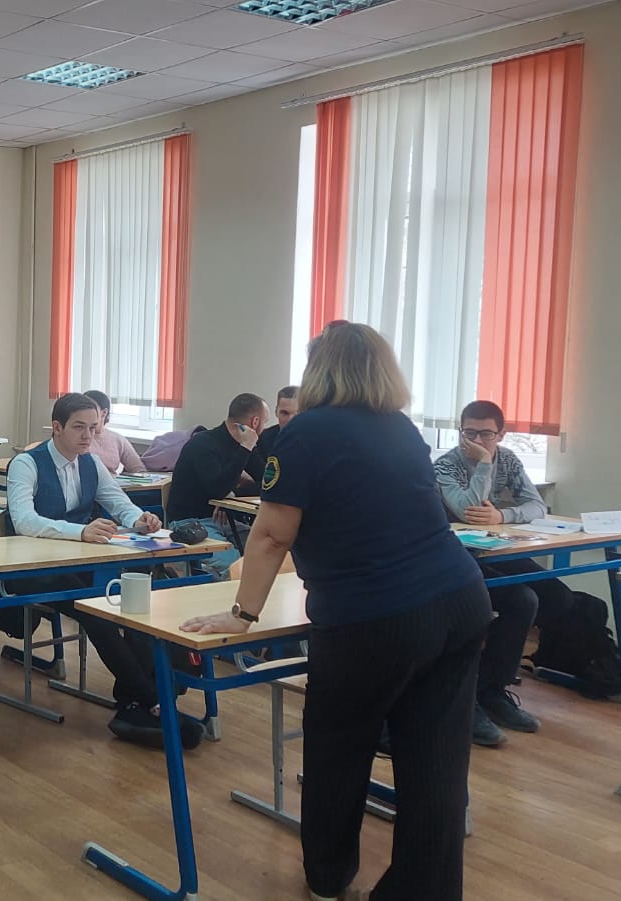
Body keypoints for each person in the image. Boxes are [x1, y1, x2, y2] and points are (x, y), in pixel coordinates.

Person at [183, 321, 489, 901]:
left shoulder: (308, 432)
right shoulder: (400, 426)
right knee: (436, 762)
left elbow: (272, 534)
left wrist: (241, 616)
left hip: (376, 617)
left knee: (337, 750)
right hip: (459, 601)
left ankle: (328, 878)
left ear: (318, 370)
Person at [5, 393, 201, 749]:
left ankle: (135, 703)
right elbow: (24, 521)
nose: (88, 436)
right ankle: (153, 701)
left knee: (135, 606)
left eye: (93, 428)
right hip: (31, 569)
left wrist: (140, 520)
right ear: (57, 427)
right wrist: (79, 531)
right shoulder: (26, 464)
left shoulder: (91, 463)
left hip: (82, 565)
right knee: (97, 614)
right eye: (79, 427)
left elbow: (119, 504)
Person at [434, 399, 568, 745]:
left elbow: (537, 505)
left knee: (551, 597)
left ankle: (491, 687)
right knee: (519, 600)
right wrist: (484, 462)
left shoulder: (509, 459)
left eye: (486, 434)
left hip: (492, 550)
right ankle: (472, 698)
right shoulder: (445, 465)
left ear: (502, 434)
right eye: (470, 433)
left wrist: (503, 516)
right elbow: (467, 509)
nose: (477, 440)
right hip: (453, 560)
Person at [163, 393, 269, 577]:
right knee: (236, 568)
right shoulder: (203, 444)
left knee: (270, 552)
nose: (265, 428)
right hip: (190, 523)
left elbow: (268, 482)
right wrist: (245, 449)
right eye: (264, 422)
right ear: (255, 422)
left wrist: (233, 494)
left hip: (225, 521)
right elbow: (218, 489)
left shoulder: (245, 446)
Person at [82, 390, 146, 475]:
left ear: (104, 413)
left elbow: (139, 469)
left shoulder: (118, 439)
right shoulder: (79, 437)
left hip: (113, 482)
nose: (84, 413)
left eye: (90, 409)